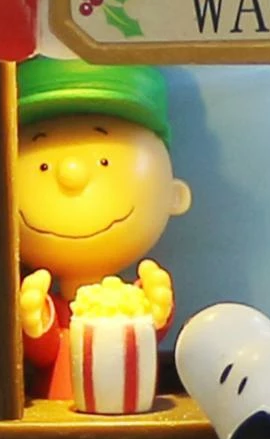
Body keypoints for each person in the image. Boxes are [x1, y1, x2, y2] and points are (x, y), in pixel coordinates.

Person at [13, 57, 191, 400]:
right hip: (55, 415)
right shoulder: (52, 305)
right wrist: (36, 321)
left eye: (105, 162)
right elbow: (46, 352)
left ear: (174, 196)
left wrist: (153, 313)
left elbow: (140, 343)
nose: (71, 173)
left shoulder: (130, 301)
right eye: (43, 165)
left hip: (128, 405)